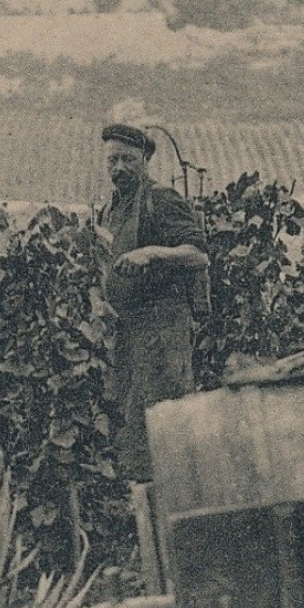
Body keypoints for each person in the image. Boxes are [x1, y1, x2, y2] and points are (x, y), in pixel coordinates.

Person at [97, 123, 210, 484]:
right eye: (112, 160)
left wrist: (151, 253)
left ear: (145, 160)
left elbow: (198, 255)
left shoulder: (160, 199)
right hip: (127, 329)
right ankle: (139, 509)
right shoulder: (110, 209)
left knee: (165, 419)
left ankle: (176, 503)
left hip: (163, 328)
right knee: (131, 421)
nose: (119, 168)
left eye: (128, 160)